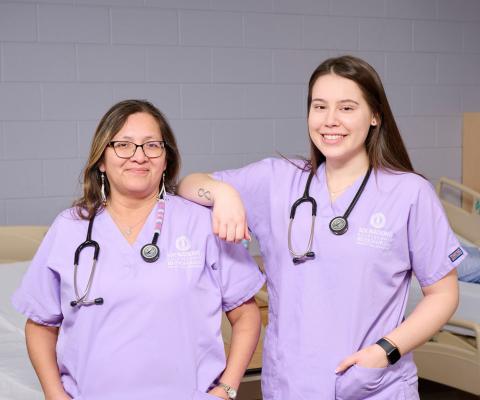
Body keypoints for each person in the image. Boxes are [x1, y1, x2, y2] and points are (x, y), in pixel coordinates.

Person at [177, 55, 466, 399]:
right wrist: (222, 193)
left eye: (346, 108)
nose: (330, 121)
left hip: (375, 385)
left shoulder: (408, 193)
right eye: (319, 106)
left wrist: (384, 350)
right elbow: (188, 184)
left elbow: (444, 294)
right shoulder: (277, 181)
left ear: (375, 116)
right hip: (291, 383)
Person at [12, 100, 265, 400]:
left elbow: (247, 315)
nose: (139, 156)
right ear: (102, 160)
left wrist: (227, 388)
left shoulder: (199, 223)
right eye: (123, 145)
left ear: (166, 159)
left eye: (152, 145)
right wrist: (55, 394)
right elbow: (40, 324)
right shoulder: (70, 228)